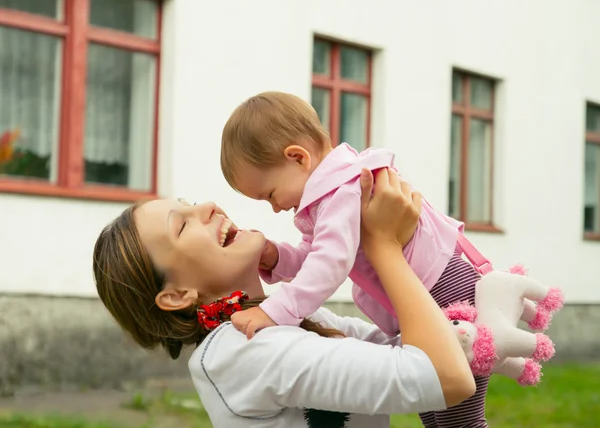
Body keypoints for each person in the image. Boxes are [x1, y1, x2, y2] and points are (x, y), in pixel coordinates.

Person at [93, 168, 475, 428]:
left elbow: (429, 348)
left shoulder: (299, 321)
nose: (207, 207)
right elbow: (445, 378)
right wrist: (383, 246)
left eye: (190, 202)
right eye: (182, 224)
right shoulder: (242, 350)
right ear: (177, 296)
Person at [220, 91, 492, 427]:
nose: (275, 207)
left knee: (458, 418)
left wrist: (276, 312)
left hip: (446, 292)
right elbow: (315, 255)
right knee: (434, 409)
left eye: (270, 194)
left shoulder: (343, 190)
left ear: (297, 158)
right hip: (428, 292)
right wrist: (277, 257)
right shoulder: (328, 196)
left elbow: (329, 263)